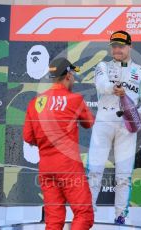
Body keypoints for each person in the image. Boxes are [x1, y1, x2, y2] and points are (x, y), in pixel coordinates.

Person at [87, 30, 141, 224]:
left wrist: (136, 113)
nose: (117, 49)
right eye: (114, 46)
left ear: (130, 46)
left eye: (121, 46)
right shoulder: (102, 66)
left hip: (127, 125)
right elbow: (101, 84)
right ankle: (88, 214)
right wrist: (112, 89)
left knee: (124, 174)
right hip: (104, 121)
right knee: (94, 170)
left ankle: (120, 216)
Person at [23, 57, 95, 230]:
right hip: (68, 166)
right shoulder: (75, 99)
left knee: (53, 221)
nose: (74, 79)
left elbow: (28, 137)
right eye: (73, 75)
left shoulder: (35, 103)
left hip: (46, 168)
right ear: (68, 75)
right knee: (84, 215)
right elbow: (89, 123)